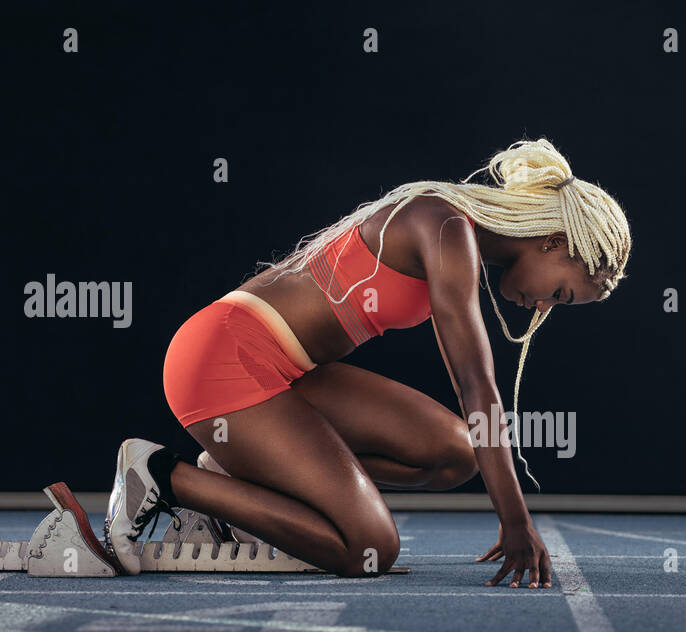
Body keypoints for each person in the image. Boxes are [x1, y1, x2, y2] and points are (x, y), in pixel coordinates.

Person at [104, 137, 631, 587]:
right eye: (559, 293)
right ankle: (160, 477)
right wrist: (515, 520)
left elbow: (471, 407)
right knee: (369, 548)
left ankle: (241, 474)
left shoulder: (459, 236)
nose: (542, 307)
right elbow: (476, 385)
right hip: (222, 361)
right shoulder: (446, 228)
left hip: (289, 374)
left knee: (456, 453)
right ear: (553, 243)